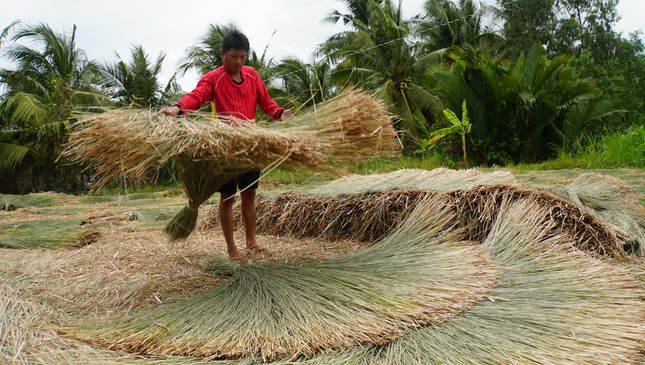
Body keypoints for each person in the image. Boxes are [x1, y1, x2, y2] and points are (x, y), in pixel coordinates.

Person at [161, 30, 293, 261]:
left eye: (242, 57)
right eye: (234, 57)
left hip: (250, 145)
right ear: (222, 54)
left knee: (250, 195)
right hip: (224, 147)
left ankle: (251, 242)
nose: (239, 62)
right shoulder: (214, 78)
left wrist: (281, 114)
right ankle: (232, 249)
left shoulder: (251, 75)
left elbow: (266, 102)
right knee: (227, 198)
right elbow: (197, 96)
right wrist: (177, 108)